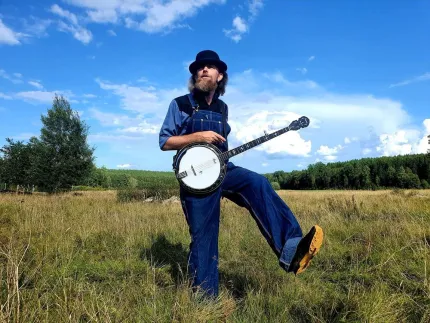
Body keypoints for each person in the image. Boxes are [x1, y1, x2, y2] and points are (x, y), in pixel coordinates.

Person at [159, 50, 324, 298]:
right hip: (195, 179)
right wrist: (196, 137)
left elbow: (222, 146)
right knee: (204, 235)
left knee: (257, 183)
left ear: (220, 75)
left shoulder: (223, 108)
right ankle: (205, 301)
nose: (203, 70)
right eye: (199, 67)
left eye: (210, 67)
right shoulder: (180, 104)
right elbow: (165, 141)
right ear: (194, 74)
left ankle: (293, 250)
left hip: (223, 169)